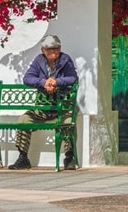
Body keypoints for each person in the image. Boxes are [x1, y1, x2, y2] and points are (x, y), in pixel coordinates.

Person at [9, 34, 78, 170]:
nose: (53, 51)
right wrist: (43, 82)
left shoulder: (65, 60)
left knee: (68, 122)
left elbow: (73, 78)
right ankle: (23, 157)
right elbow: (27, 78)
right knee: (24, 120)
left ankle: (69, 157)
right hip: (43, 106)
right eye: (50, 49)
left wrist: (56, 82)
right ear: (43, 50)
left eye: (56, 48)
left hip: (62, 106)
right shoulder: (39, 61)